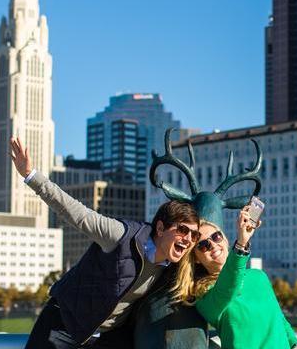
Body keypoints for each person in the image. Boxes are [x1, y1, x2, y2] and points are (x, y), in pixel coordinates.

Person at [11, 136, 201, 349]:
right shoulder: (121, 236)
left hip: (105, 336)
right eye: (183, 230)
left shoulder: (173, 266)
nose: (189, 240)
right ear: (160, 228)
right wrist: (31, 176)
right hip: (64, 322)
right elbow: (76, 213)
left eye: (195, 236)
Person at [185, 204, 297, 349]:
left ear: (225, 239)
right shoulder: (205, 295)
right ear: (196, 258)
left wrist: (295, 344)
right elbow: (228, 287)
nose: (213, 245)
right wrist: (241, 244)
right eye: (203, 245)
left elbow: (279, 319)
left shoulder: (259, 277)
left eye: (216, 237)